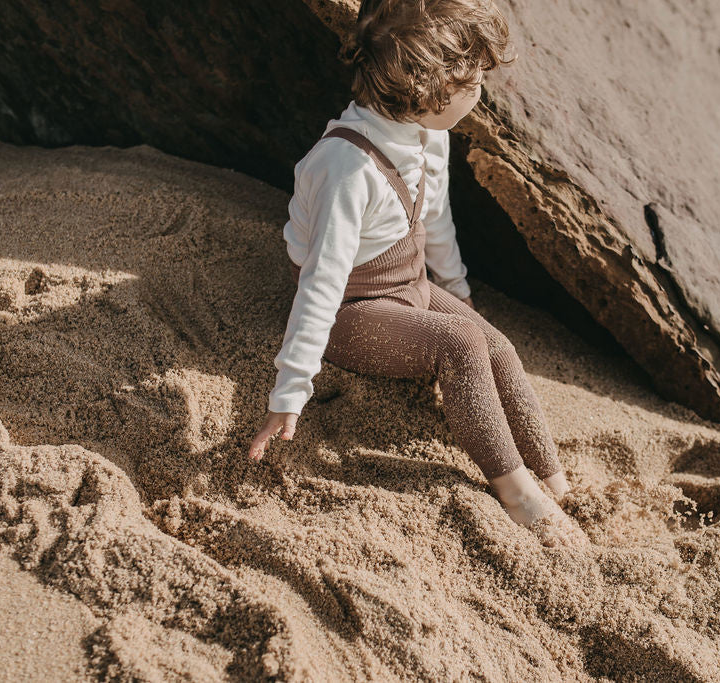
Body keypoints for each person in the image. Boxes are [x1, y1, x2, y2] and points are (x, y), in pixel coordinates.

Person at [249, 0, 584, 547]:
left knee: (497, 346)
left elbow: (433, 220)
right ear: (429, 92)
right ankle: (518, 491)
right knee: (462, 346)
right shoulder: (346, 167)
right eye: (472, 80)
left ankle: (555, 480)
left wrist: (456, 290)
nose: (481, 89)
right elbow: (321, 283)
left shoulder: (427, 135)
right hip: (350, 312)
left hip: (409, 285)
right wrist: (290, 390)